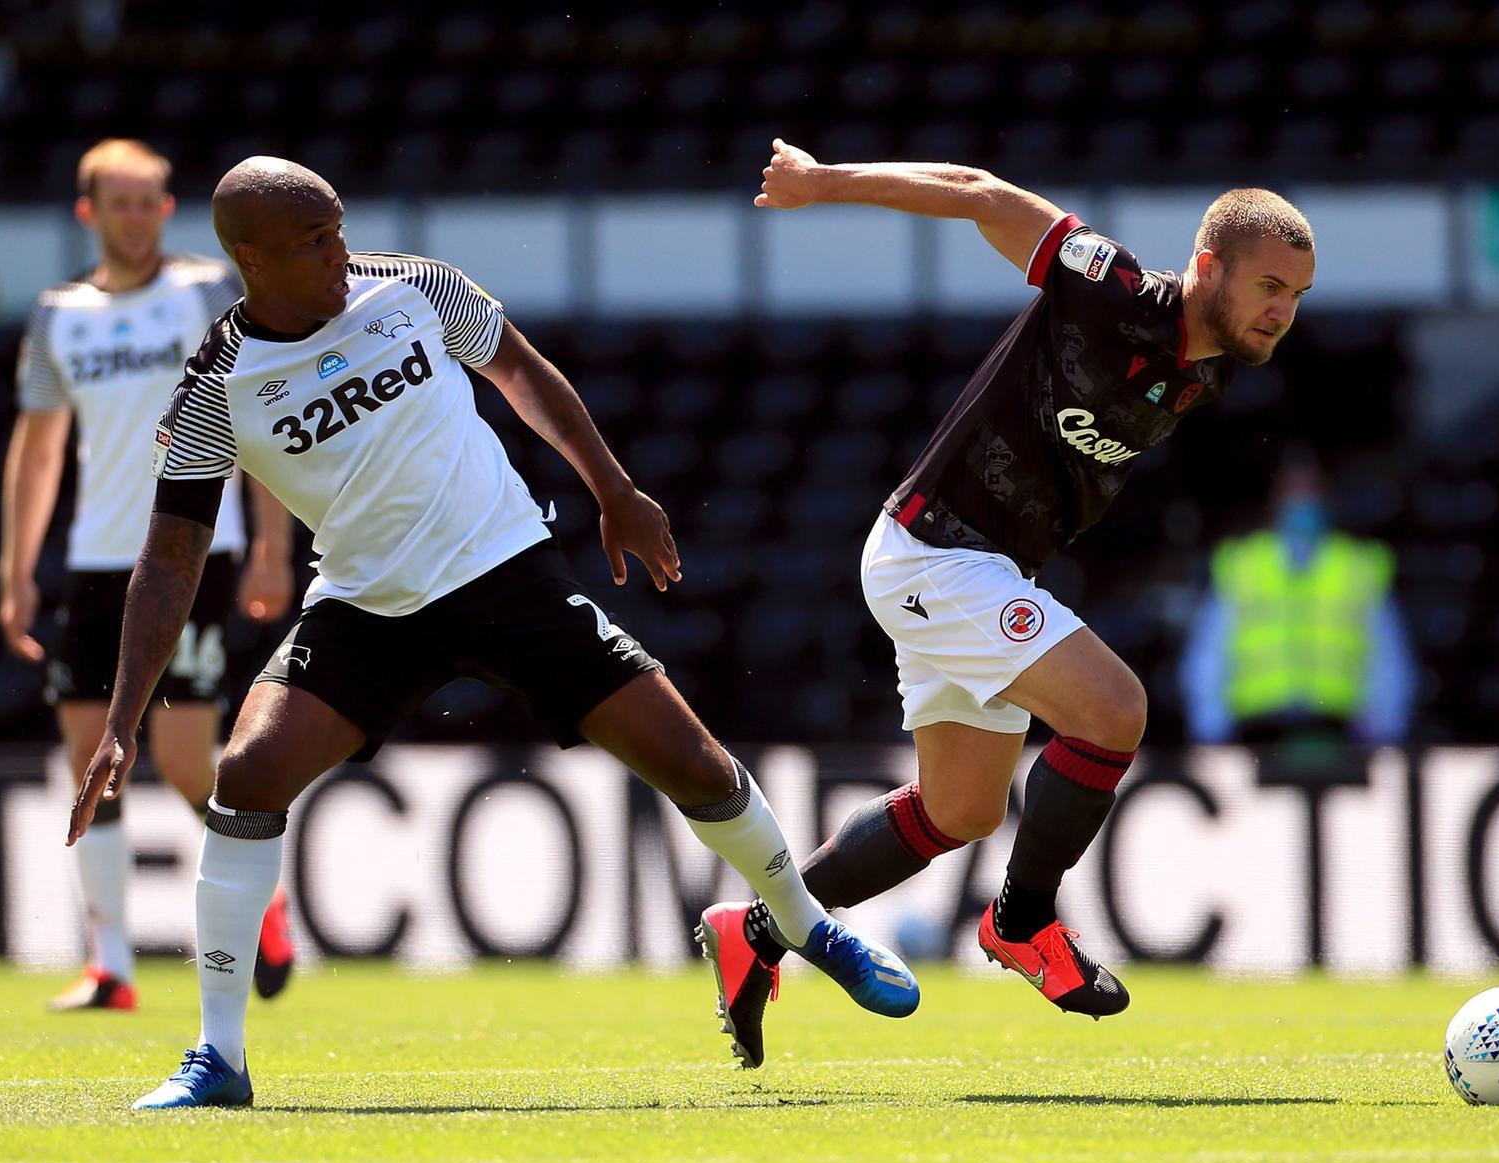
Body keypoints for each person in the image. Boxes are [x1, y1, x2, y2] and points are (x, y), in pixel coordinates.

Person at [66, 156, 919, 1111]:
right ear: (251, 259)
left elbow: (521, 370)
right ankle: (217, 1057)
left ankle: (801, 923)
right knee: (247, 774)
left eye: (338, 229)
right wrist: (122, 719)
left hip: (504, 573)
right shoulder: (217, 384)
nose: (338, 253)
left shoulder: (414, 287)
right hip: (367, 608)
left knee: (697, 765)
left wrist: (614, 489)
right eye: (313, 244)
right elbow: (171, 555)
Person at [699, 139, 1315, 1068]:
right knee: (1113, 710)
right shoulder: (1107, 287)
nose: (1283, 311)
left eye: (1296, 296)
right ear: (1206, 267)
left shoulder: (1219, 362)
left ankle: (757, 929)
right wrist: (823, 184)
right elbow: (979, 193)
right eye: (1269, 285)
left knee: (959, 810)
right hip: (934, 550)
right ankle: (1022, 923)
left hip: (980, 568)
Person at [0, 139, 297, 1012]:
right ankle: (113, 965)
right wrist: (16, 571)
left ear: (168, 211)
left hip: (198, 548)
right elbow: (39, 446)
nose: (137, 216)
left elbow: (260, 415)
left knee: (177, 757)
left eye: (150, 201)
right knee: (86, 756)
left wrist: (274, 544)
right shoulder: (60, 315)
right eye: (119, 202)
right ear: (89, 212)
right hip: (97, 559)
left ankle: (264, 901)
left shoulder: (207, 293)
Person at [1179, 451, 1415, 751]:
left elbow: (1388, 659)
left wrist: (1386, 733)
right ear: (1275, 499)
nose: (1303, 500)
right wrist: (1210, 732)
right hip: (1254, 732)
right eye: (1294, 489)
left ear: (1327, 498)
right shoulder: (1243, 564)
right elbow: (1208, 656)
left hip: (1340, 734)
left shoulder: (1358, 567)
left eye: (1312, 490)